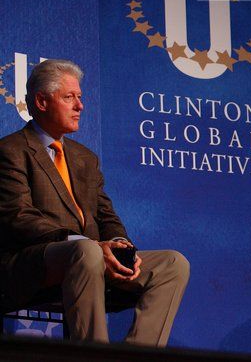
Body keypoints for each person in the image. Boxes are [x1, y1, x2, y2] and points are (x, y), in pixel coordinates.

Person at [0, 59, 189, 345]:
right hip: (31, 263)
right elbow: (18, 216)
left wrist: (119, 245)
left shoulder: (84, 157)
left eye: (80, 97)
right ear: (41, 101)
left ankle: (136, 355)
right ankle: (95, 355)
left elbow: (106, 214)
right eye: (69, 97)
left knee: (173, 264)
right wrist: (81, 242)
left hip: (92, 256)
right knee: (86, 251)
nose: (80, 106)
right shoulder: (11, 150)